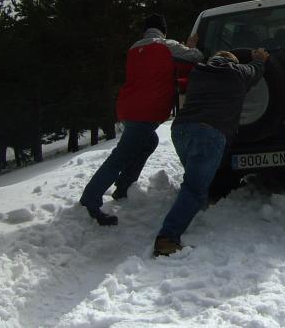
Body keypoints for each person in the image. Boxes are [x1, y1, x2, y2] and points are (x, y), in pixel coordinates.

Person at [80, 14, 203, 226]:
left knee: (149, 142)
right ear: (163, 30)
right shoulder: (167, 45)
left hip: (128, 108)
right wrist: (191, 46)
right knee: (120, 156)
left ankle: (124, 186)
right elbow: (196, 56)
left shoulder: (134, 48)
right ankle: (90, 200)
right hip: (146, 111)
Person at [153, 48, 269, 257]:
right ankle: (167, 238)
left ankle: (198, 200)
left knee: (196, 178)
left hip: (180, 130)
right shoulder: (239, 72)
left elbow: (183, 60)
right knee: (194, 189)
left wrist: (190, 45)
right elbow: (256, 69)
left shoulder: (198, 71)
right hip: (210, 132)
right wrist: (260, 60)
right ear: (232, 62)